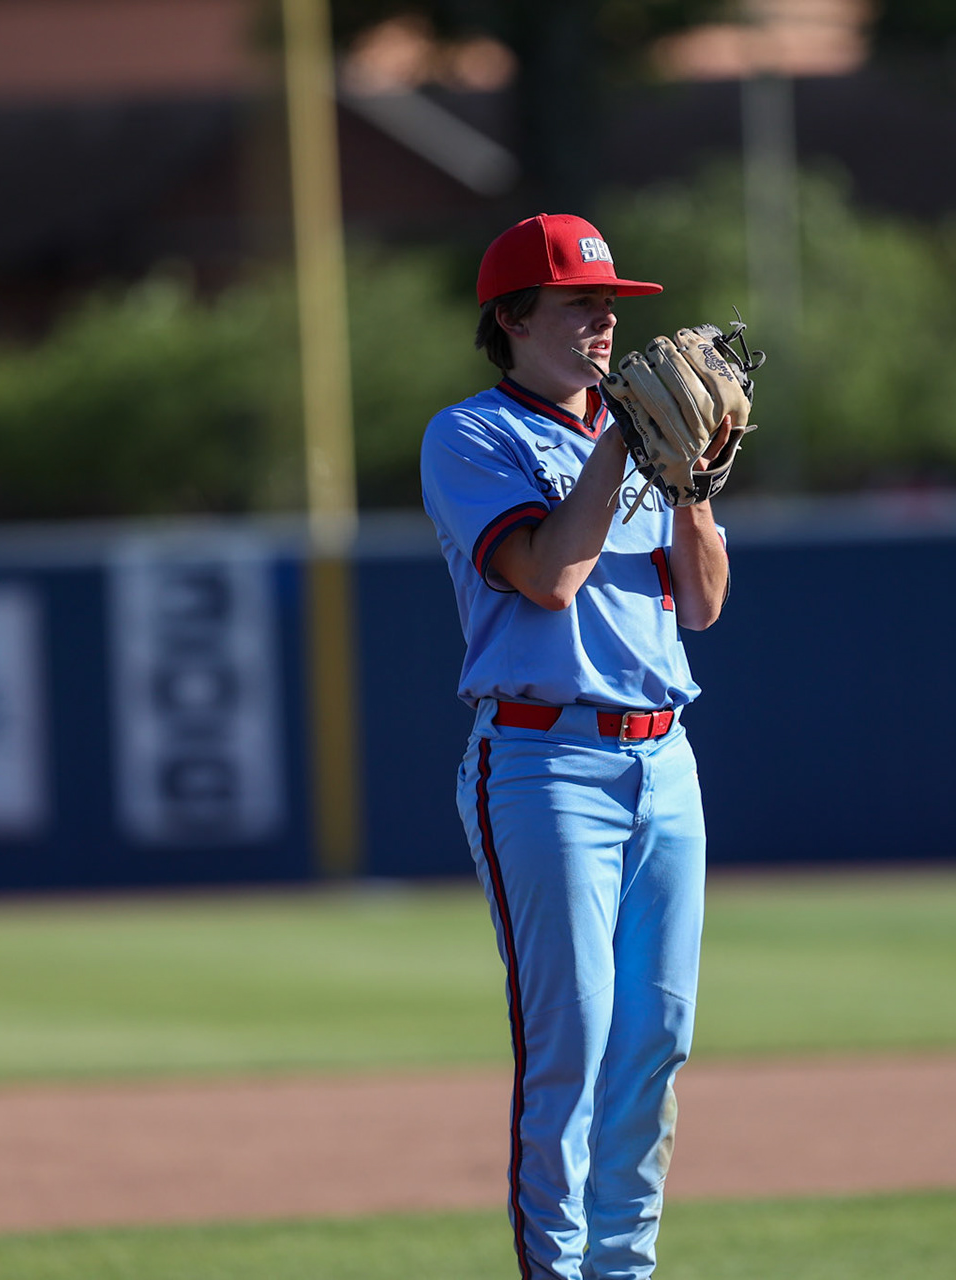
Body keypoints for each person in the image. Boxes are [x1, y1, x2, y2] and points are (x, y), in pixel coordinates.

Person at [419, 212, 733, 1280]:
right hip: (546, 763)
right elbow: (548, 578)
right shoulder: (472, 436)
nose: (606, 322)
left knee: (657, 1040)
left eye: (613, 304)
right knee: (575, 1042)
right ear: (510, 318)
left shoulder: (644, 440)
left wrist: (688, 483)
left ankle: (624, 1271)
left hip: (666, 754)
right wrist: (621, 452)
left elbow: (703, 604)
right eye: (580, 303)